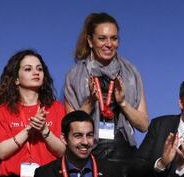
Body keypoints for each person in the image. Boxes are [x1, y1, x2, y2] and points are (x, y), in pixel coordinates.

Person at [64, 12, 149, 167]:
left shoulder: (131, 73)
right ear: (90, 41)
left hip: (125, 153)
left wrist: (123, 103)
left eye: (114, 38)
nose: (109, 44)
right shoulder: (74, 75)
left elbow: (143, 125)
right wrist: (88, 104)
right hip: (89, 153)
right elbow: (69, 128)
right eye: (102, 38)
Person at [0, 49, 65, 176]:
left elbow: (63, 152)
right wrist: (28, 129)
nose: (36, 72)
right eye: (28, 69)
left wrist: (44, 130)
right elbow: (1, 152)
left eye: (39, 69)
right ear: (16, 79)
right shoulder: (2, 111)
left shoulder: (56, 108)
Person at [34, 110, 122, 177]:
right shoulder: (45, 173)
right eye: (78, 136)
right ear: (64, 139)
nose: (85, 142)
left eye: (89, 135)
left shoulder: (112, 171)